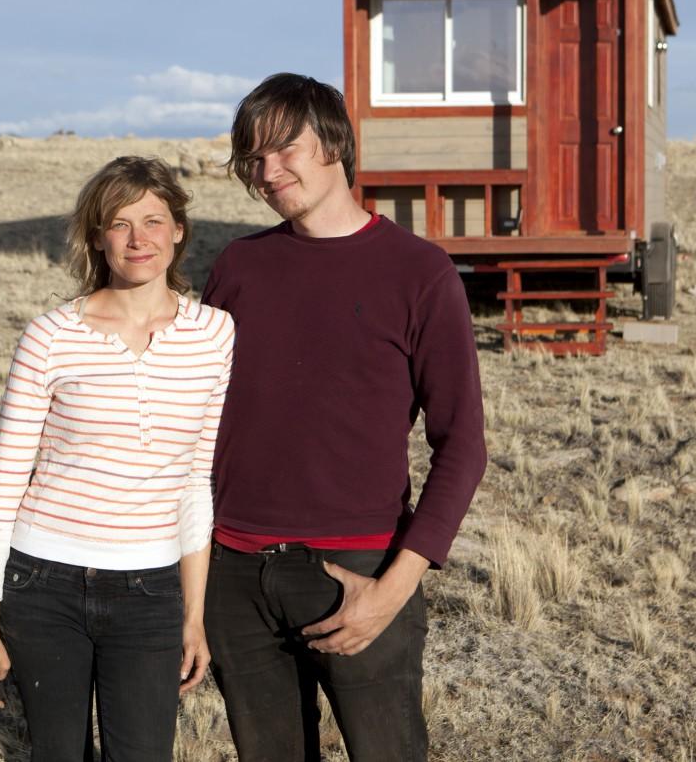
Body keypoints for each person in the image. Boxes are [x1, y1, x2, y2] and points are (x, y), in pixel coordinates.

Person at [201, 73, 487, 762]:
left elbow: (463, 445)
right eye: (253, 160)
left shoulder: (420, 272)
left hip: (359, 568)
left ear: (334, 142)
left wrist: (392, 591)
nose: (268, 173)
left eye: (284, 150)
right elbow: (192, 410)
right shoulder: (239, 266)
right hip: (233, 574)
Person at [0, 156, 234, 762]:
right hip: (43, 583)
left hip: (150, 591)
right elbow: (1, 486)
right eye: (119, 224)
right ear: (96, 237)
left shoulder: (216, 335)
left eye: (154, 221)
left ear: (179, 230)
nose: (139, 240)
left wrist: (193, 617)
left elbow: (195, 485)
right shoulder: (50, 335)